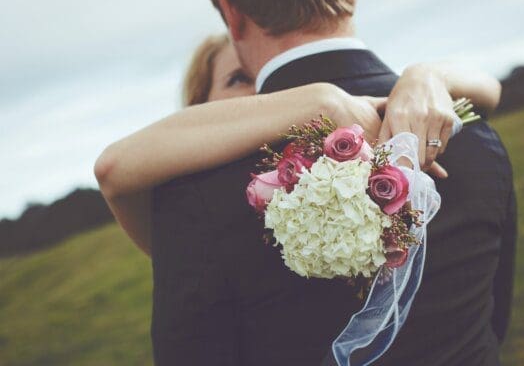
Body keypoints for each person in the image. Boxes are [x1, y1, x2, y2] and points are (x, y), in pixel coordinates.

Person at [95, 34, 501, 256]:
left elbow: (489, 85)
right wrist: (318, 99)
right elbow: (113, 168)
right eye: (239, 79)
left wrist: (426, 76)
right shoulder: (193, 205)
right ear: (200, 105)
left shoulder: (324, 162)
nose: (267, 91)